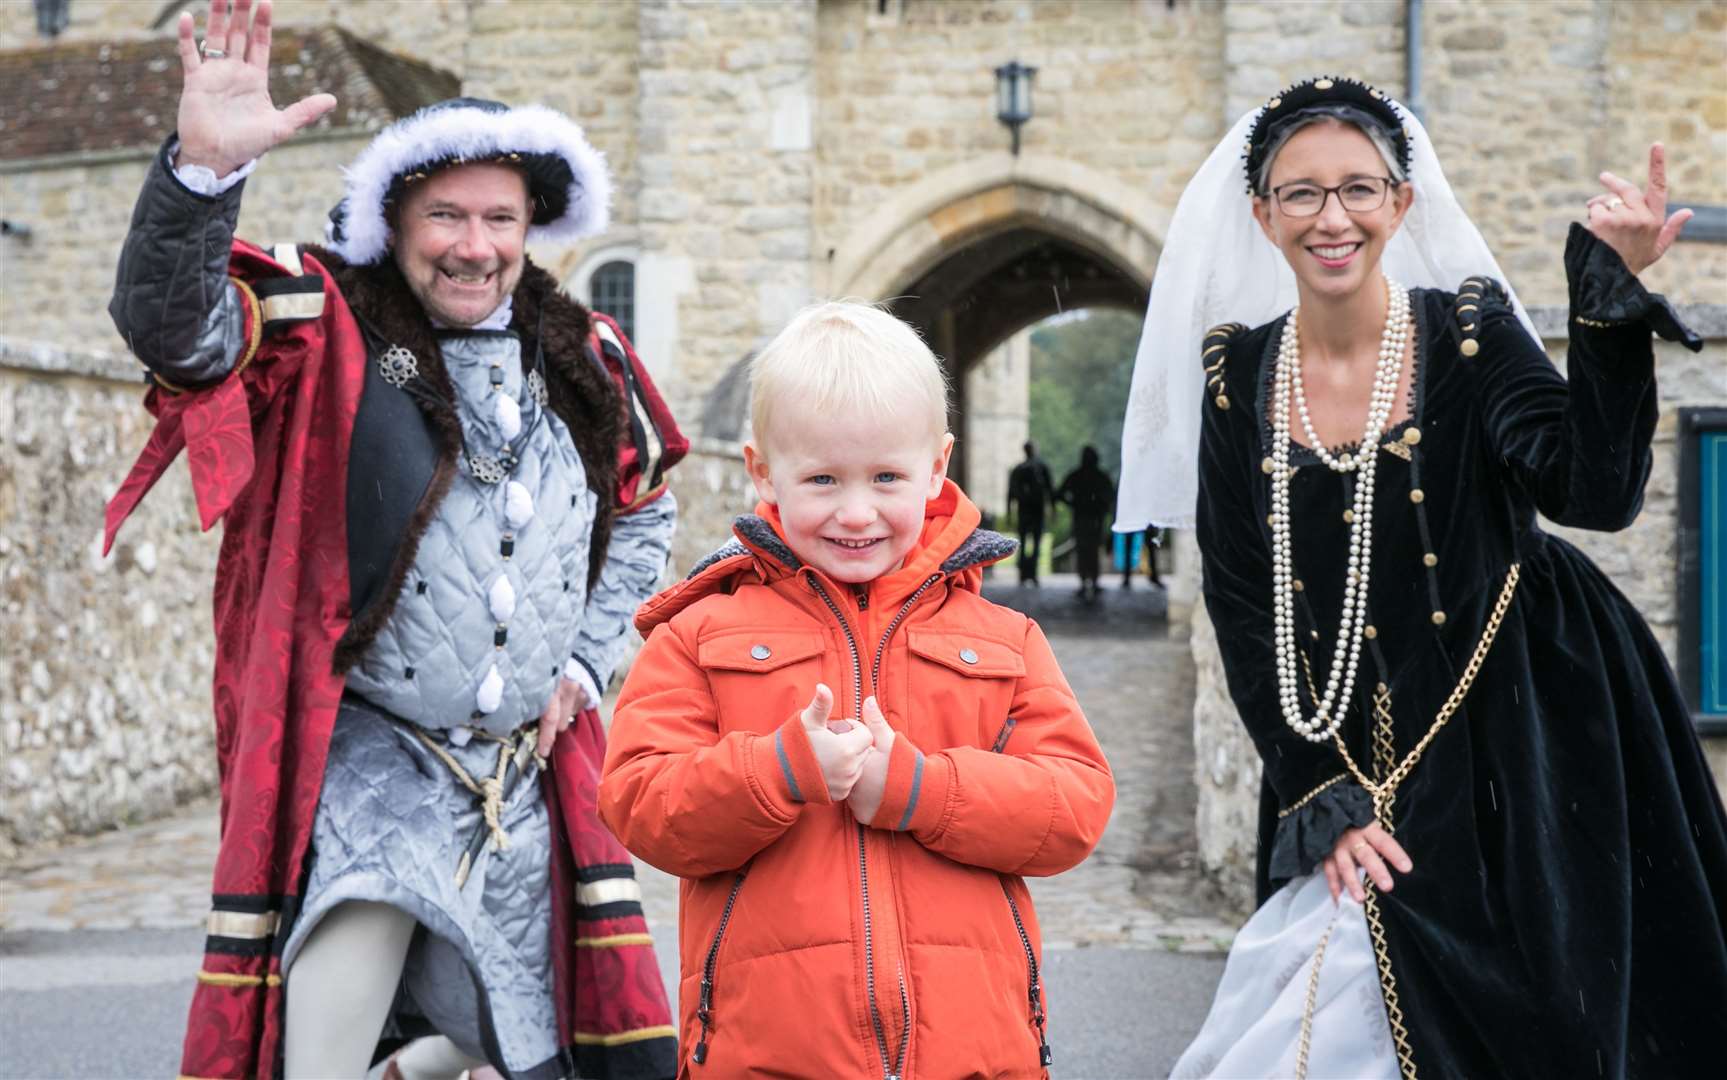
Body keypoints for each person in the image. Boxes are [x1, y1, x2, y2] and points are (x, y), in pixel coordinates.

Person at [102, 2, 684, 1076]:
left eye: (500, 219)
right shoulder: (327, 327)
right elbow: (174, 329)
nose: (475, 246)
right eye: (447, 217)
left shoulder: (585, 356)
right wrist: (198, 175)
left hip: (520, 783)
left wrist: (588, 665)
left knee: (529, 1039)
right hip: (372, 766)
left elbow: (646, 517)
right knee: (323, 1029)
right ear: (396, 220)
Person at [1116, 76, 1727, 1078]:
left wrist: (1610, 306)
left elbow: (1595, 490)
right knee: (1320, 1015)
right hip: (1343, 742)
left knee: (1551, 1014)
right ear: (1262, 215)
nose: (1331, 216)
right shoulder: (1235, 379)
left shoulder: (1470, 336)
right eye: (1300, 193)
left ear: (1399, 204)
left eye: (1357, 188)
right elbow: (1239, 599)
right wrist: (1311, 786)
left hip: (1530, 726)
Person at [597, 302, 1115, 1077]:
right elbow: (640, 802)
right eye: (821, 479)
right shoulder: (697, 635)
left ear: (936, 467)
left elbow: (1074, 807)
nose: (855, 512)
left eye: (885, 478)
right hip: (767, 1051)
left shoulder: (1007, 642)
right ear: (763, 471)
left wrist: (919, 790)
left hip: (976, 1052)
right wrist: (776, 773)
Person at [1057, 445, 1115, 600]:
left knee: (1085, 551)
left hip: (1083, 518)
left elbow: (1060, 493)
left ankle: (1086, 582)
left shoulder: (1077, 476)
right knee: (1091, 551)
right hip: (1093, 519)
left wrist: (1074, 504)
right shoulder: (1099, 476)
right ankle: (1091, 582)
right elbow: (1111, 496)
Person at [1007, 439, 1056, 585]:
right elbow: (1050, 491)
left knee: (1023, 542)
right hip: (1037, 510)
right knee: (1036, 542)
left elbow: (1010, 494)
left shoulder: (1018, 469)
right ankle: (1032, 572)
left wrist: (1010, 513)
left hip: (1024, 511)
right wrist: (1052, 509)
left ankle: (1023, 573)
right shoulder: (1042, 467)